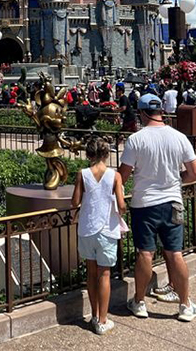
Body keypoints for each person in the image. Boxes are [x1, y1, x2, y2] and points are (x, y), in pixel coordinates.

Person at [118, 93, 196, 322]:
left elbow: (122, 175)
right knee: (175, 253)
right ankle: (185, 305)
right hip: (173, 201)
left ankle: (140, 302)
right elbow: (195, 173)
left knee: (145, 253)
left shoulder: (136, 139)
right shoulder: (178, 137)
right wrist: (176, 180)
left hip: (144, 204)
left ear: (142, 113)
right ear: (160, 111)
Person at [71, 138, 126, 335]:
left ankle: (94, 315)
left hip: (87, 228)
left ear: (88, 155)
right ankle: (103, 320)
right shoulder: (115, 176)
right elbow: (121, 204)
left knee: (91, 273)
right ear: (106, 154)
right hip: (106, 228)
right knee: (105, 274)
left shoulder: (82, 174)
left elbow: (75, 202)